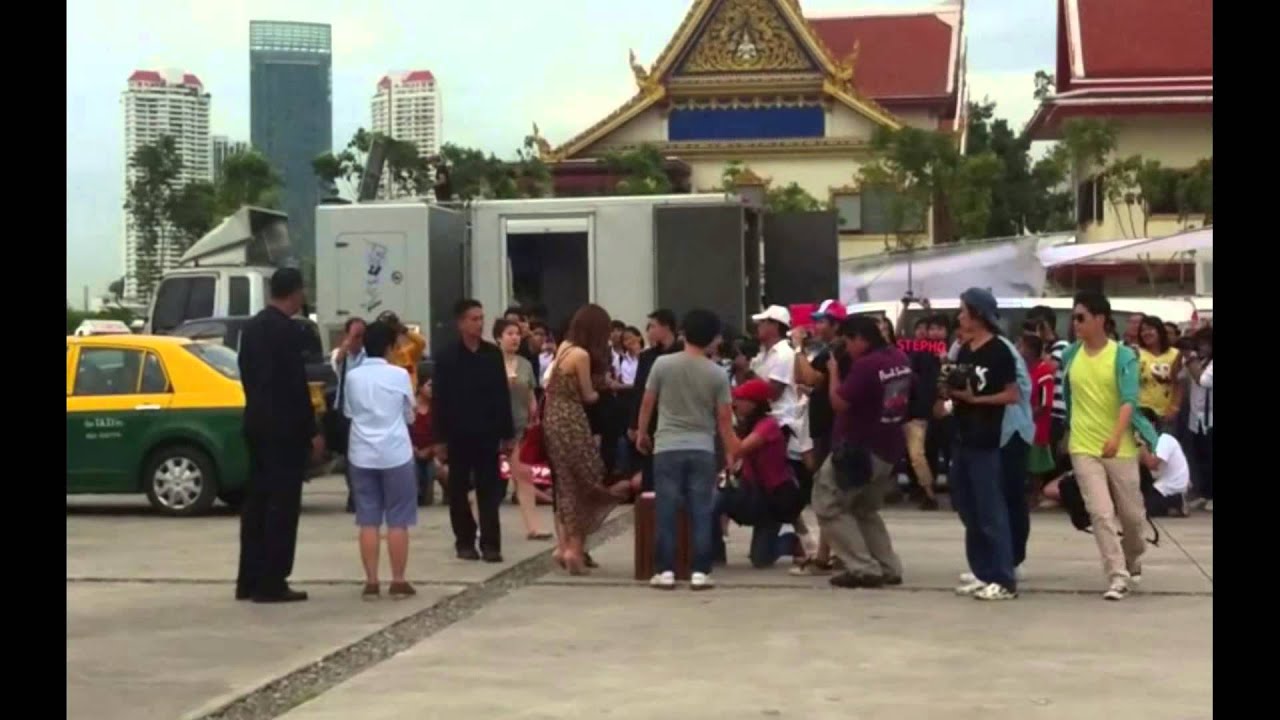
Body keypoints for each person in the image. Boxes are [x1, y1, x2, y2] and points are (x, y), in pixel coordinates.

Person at [1060, 291, 1159, 601]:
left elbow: (1129, 401)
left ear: (1100, 319)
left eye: (1081, 317)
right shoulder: (1070, 355)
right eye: (1074, 317)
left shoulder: (1122, 355)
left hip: (1120, 446)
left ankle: (1133, 557)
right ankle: (1116, 575)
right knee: (1100, 512)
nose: (1075, 323)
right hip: (1083, 444)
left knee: (1132, 517)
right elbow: (1070, 398)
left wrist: (1117, 436)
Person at [637, 309, 740, 591]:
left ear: (683, 333)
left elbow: (648, 402)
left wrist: (643, 432)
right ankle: (700, 572)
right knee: (701, 510)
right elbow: (723, 419)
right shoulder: (717, 374)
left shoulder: (662, 364)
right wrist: (731, 452)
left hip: (667, 445)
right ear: (711, 339)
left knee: (667, 509)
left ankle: (665, 571)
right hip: (702, 448)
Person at [236, 268, 322, 603]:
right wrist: (311, 430)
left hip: (256, 423)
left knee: (256, 502)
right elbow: (293, 386)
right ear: (296, 293)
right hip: (283, 430)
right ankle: (273, 581)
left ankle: (249, 578)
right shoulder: (288, 331)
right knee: (282, 507)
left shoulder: (253, 328)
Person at [814, 314, 910, 589]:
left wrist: (833, 372)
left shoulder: (866, 366)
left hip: (858, 448)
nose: (846, 348)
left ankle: (862, 567)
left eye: (847, 341)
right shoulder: (899, 359)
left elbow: (839, 403)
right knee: (864, 509)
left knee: (827, 503)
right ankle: (888, 566)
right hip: (888, 446)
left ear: (859, 338)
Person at [945, 288, 1022, 601]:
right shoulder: (964, 350)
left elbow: (1012, 394)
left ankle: (1003, 577)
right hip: (962, 435)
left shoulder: (999, 351)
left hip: (985, 438)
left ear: (978, 315)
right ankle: (981, 571)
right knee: (969, 507)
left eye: (964, 311)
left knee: (991, 511)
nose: (960, 317)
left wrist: (977, 399)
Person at [544, 304, 631, 575]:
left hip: (552, 417)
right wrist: (606, 386)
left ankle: (564, 545)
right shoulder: (581, 355)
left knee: (566, 482)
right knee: (586, 479)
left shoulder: (565, 347)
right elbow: (588, 395)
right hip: (572, 419)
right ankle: (574, 549)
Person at [432, 299, 515, 563]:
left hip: (487, 432)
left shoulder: (491, 355)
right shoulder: (447, 357)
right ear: (460, 323)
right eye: (473, 319)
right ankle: (465, 541)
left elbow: (502, 395)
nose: (479, 324)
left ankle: (491, 544)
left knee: (489, 490)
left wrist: (507, 433)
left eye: (481, 318)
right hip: (457, 433)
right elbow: (440, 399)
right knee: (458, 490)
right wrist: (440, 438)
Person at [342, 320, 419, 600]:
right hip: (396, 451)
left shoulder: (353, 376)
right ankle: (398, 580)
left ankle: (371, 581)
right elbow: (410, 413)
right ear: (389, 347)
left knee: (368, 519)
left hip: (361, 452)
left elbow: (349, 412)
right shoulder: (399, 375)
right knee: (398, 518)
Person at [713, 378, 803, 568]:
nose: (736, 403)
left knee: (761, 560)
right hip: (752, 492)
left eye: (740, 399)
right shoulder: (748, 426)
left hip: (772, 499)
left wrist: (725, 423)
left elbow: (738, 450)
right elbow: (732, 457)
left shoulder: (768, 426)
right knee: (714, 502)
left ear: (754, 403)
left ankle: (790, 542)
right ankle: (715, 553)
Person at [749, 305, 815, 557]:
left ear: (775, 325)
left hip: (781, 427)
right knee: (773, 487)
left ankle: (803, 539)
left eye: (763, 322)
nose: (759, 327)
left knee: (780, 487)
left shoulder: (784, 354)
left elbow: (773, 391)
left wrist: (749, 387)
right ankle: (801, 538)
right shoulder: (765, 354)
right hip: (768, 423)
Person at [495, 317, 551, 541]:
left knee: (524, 475)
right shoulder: (490, 361)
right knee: (489, 480)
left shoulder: (525, 364)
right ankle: (476, 524)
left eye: (517, 334)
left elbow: (530, 394)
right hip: (494, 427)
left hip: (520, 427)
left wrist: (534, 417)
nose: (514, 338)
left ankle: (533, 527)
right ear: (498, 338)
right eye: (509, 333)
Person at [631, 309, 683, 492]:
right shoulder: (647, 357)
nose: (649, 331)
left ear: (666, 327)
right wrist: (636, 425)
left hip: (675, 419)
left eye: (653, 326)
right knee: (651, 474)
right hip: (651, 421)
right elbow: (639, 391)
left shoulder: (683, 354)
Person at [331, 317, 367, 514]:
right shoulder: (341, 356)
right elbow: (336, 362)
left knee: (363, 457)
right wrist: (347, 345)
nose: (359, 340)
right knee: (349, 457)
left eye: (362, 336)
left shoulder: (368, 356)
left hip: (363, 413)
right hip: (345, 413)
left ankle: (362, 495)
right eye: (355, 336)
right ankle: (354, 494)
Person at [1020, 335, 1058, 492]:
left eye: (1021, 346)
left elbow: (1043, 404)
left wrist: (1026, 416)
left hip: (1037, 427)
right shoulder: (1024, 370)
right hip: (1023, 426)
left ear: (1030, 350)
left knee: (1034, 466)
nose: (1019, 350)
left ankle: (1035, 494)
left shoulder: (1044, 372)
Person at [1137, 409, 1190, 517]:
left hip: (1171, 488)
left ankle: (1177, 502)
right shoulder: (1150, 444)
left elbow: (1152, 464)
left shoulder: (1164, 440)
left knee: (1143, 510)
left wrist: (1140, 447)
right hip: (1158, 483)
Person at [1137, 315, 1184, 434]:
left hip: (1165, 413)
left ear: (1160, 331)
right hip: (1141, 411)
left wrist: (1174, 408)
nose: (1146, 333)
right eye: (1143, 330)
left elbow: (1178, 383)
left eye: (1150, 329)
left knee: (1164, 449)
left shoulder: (1175, 354)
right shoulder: (1136, 352)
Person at [1185, 327, 1213, 511]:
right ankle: (1203, 493)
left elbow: (1203, 380)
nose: (1201, 347)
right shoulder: (1198, 361)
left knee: (1211, 458)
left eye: (1204, 343)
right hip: (1197, 418)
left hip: (1211, 418)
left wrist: (1192, 359)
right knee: (1200, 458)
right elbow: (1177, 376)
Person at [378, 311, 427, 391]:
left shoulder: (407, 354)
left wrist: (404, 330)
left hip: (409, 397)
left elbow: (421, 343)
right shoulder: (378, 357)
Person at [408, 379, 438, 507]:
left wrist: (430, 450)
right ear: (420, 387)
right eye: (430, 385)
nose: (433, 389)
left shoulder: (438, 408)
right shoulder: (410, 407)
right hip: (412, 453)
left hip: (432, 454)